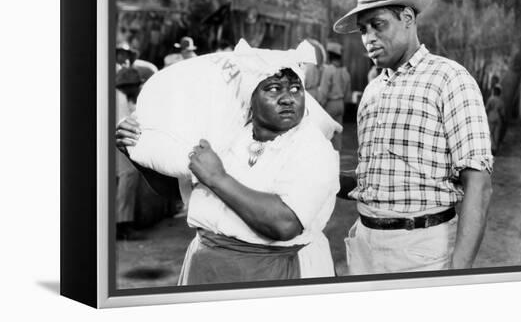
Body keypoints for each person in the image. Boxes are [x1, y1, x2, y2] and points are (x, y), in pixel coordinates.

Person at [116, 41, 339, 283]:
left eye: (296, 89)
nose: (288, 98)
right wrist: (135, 153)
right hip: (206, 266)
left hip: (270, 273)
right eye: (274, 88)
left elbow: (285, 224)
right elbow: (180, 194)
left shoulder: (312, 146)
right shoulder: (228, 136)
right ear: (250, 97)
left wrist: (217, 177)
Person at [333, 0, 493, 273]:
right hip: (364, 244)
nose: (368, 38)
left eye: (378, 25)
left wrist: (457, 273)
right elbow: (385, 180)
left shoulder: (449, 79)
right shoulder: (372, 90)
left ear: (407, 17)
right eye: (363, 30)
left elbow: (479, 186)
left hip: (422, 250)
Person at [115, 67, 145, 241]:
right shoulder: (119, 97)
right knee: (129, 173)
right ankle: (123, 226)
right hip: (115, 142)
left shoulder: (120, 96)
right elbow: (125, 126)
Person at [317, 42, 351, 151]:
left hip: (330, 104)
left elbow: (324, 91)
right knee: (338, 133)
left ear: (330, 55)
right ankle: (337, 156)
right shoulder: (344, 71)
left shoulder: (328, 70)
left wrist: (319, 104)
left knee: (325, 133)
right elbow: (347, 92)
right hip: (340, 103)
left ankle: (327, 158)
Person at [485, 84, 506, 154]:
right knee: (497, 133)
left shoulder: (491, 99)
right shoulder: (501, 101)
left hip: (491, 117)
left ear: (494, 92)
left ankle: (492, 147)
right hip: (498, 118)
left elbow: (487, 109)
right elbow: (503, 113)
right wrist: (503, 119)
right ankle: (495, 148)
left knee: (490, 133)